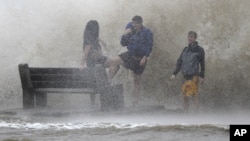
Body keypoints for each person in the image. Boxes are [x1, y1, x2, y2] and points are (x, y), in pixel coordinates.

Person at [108, 15, 154, 106]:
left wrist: (144, 58)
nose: (135, 26)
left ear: (141, 23)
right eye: (133, 24)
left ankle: (135, 101)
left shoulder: (147, 32)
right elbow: (123, 43)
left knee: (137, 79)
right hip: (130, 54)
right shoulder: (130, 27)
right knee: (114, 61)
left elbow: (149, 46)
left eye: (136, 24)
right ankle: (107, 83)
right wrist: (125, 34)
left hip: (140, 58)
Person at [170, 31, 205, 112]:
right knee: (185, 96)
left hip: (194, 76)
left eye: (191, 37)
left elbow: (202, 63)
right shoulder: (185, 49)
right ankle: (186, 115)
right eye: (188, 37)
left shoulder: (200, 50)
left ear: (195, 38)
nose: (189, 38)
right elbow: (179, 62)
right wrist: (174, 74)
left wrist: (202, 76)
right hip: (185, 77)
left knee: (194, 96)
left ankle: (195, 115)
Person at [80, 20, 109, 105]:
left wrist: (81, 64)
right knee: (102, 80)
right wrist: (81, 64)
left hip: (91, 63)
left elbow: (86, 52)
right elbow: (86, 52)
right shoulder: (91, 39)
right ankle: (106, 98)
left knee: (92, 81)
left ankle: (93, 102)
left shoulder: (88, 37)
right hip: (97, 62)